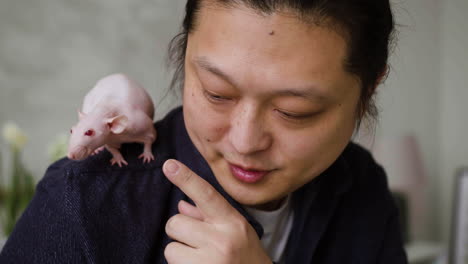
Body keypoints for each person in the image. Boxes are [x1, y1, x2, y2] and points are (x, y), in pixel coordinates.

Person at [0, 0, 408, 263]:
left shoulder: (363, 188)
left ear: (369, 86)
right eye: (217, 94)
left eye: (293, 111)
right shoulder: (83, 202)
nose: (245, 142)